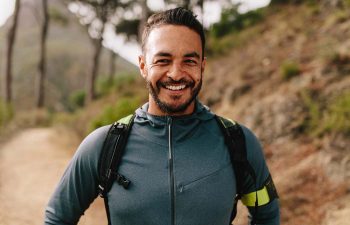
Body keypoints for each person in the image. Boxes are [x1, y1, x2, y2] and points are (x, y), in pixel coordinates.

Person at [44, 7, 280, 225]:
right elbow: (57, 219)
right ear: (143, 65)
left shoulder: (238, 142)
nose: (176, 74)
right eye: (163, 60)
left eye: (189, 61)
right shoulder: (104, 145)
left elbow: (267, 216)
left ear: (202, 66)